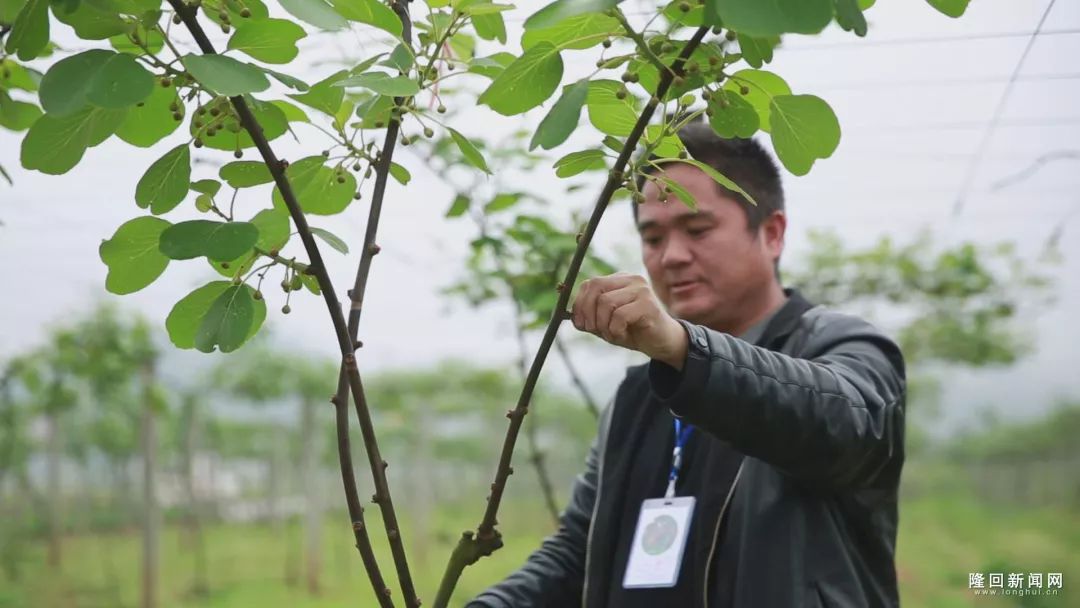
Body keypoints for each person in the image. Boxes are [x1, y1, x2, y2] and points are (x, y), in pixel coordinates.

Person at [466, 121, 906, 608]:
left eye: (698, 229)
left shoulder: (845, 348)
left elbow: (845, 424)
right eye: (652, 239)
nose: (672, 257)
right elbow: (580, 553)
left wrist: (684, 348)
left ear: (773, 233)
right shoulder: (638, 396)